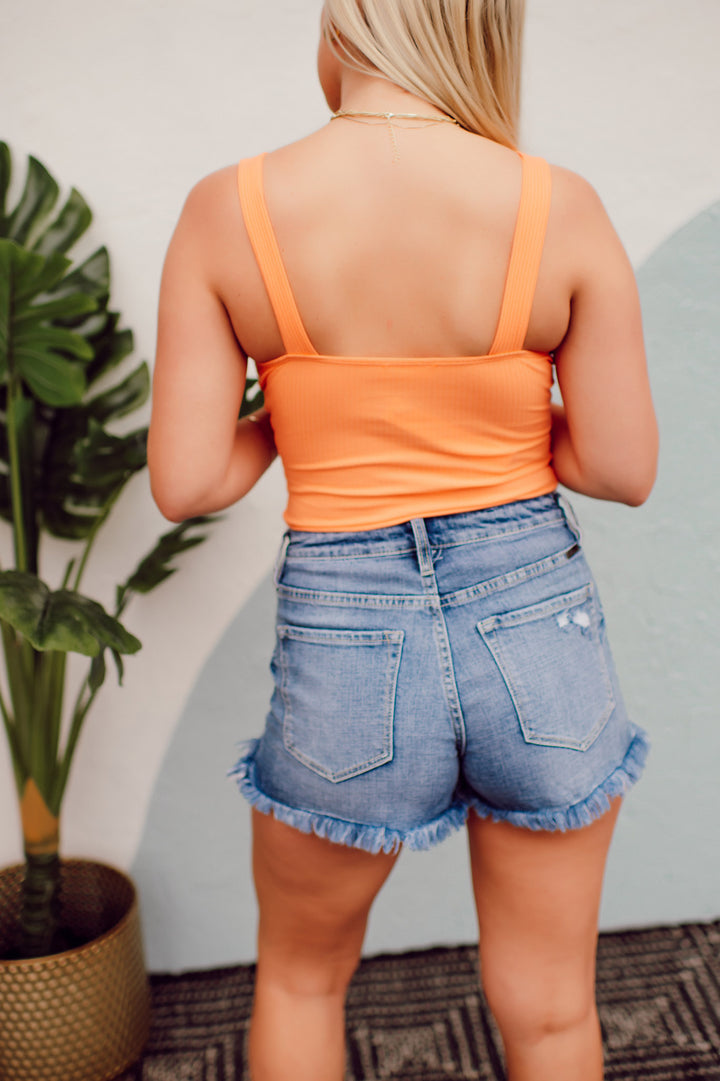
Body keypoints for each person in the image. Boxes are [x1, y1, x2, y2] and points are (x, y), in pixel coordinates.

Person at [148, 2, 658, 1078]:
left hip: (348, 628)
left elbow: (186, 483)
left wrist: (304, 409)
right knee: (552, 1009)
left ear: (347, 24)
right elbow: (622, 467)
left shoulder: (227, 208)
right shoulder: (557, 203)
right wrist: (492, 414)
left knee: (301, 978)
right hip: (536, 620)